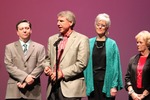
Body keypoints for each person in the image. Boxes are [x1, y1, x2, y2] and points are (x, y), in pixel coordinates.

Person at [42, 10, 89, 100]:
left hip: (71, 88)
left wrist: (62, 73)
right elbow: (47, 59)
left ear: (70, 22)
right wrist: (47, 67)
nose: (58, 23)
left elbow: (81, 63)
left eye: (61, 21)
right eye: (57, 21)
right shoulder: (52, 39)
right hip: (52, 87)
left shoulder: (82, 39)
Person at [84, 13, 123, 100]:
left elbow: (116, 66)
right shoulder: (89, 42)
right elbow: (84, 63)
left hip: (107, 84)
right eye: (98, 24)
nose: (100, 27)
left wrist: (114, 86)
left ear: (107, 27)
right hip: (92, 84)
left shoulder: (112, 44)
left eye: (103, 25)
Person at [4, 19, 46, 100]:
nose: (24, 31)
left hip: (33, 90)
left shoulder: (39, 47)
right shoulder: (9, 47)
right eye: (21, 29)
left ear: (31, 30)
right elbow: (9, 65)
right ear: (17, 32)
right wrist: (25, 77)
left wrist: (29, 79)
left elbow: (41, 65)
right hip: (14, 90)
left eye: (27, 28)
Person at [125, 30, 150, 100]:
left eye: (140, 42)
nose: (138, 44)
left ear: (147, 44)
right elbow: (127, 78)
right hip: (134, 96)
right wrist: (132, 93)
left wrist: (143, 95)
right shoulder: (132, 59)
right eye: (137, 42)